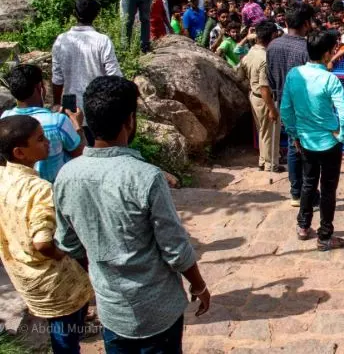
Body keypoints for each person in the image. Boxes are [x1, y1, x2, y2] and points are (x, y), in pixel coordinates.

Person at [53, 76, 211, 352]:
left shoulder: (66, 176)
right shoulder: (146, 177)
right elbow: (174, 248)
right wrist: (198, 285)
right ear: (129, 121)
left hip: (112, 309)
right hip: (157, 309)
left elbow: (69, 243)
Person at [0, 115, 95, 354]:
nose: (48, 143)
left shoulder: (3, 178)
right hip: (54, 282)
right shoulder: (39, 189)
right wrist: (62, 254)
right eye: (40, 139)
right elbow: (42, 242)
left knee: (61, 330)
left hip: (23, 275)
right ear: (20, 152)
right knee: (65, 337)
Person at [280, 30, 344, 251]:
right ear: (328, 53)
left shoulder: (294, 75)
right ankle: (325, 235)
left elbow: (285, 109)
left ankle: (303, 227)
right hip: (329, 142)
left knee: (308, 182)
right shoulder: (330, 79)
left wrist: (294, 134)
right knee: (328, 189)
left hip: (306, 140)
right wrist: (341, 135)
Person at [267, 4, 316, 207]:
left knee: (292, 147)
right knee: (308, 150)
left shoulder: (272, 46)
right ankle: (309, 194)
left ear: (286, 23)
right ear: (306, 23)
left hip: (282, 102)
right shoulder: (307, 48)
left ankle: (296, 192)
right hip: (304, 105)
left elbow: (269, 78)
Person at [2, 64, 85, 183]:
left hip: (20, 186)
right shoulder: (58, 121)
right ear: (39, 87)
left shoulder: (5, 120)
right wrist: (77, 126)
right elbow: (80, 154)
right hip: (54, 187)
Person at [51, 0, 122, 120]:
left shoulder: (61, 40)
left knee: (74, 139)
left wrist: (57, 103)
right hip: (97, 106)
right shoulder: (102, 40)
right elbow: (114, 76)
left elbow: (57, 79)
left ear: (74, 14)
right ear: (96, 15)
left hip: (70, 109)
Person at [238, 21, 279, 173]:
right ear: (272, 36)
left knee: (262, 131)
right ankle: (271, 164)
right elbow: (265, 88)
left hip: (253, 96)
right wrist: (272, 108)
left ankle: (263, 160)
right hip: (264, 98)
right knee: (269, 133)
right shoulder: (265, 58)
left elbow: (239, 75)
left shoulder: (250, 53)